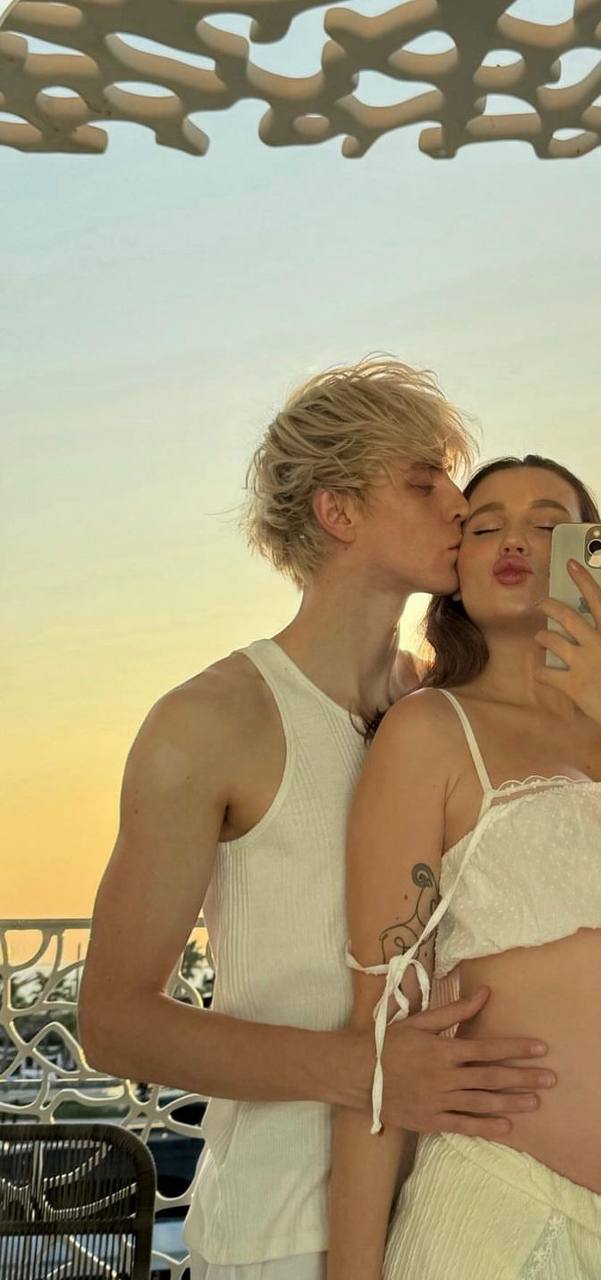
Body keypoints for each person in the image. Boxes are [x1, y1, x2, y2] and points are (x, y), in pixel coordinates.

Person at [77, 363, 558, 1279]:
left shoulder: (450, 708)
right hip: (282, 1235)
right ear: (337, 511)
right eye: (423, 482)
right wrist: (369, 1070)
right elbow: (114, 1022)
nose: (460, 505)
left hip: (471, 1212)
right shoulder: (211, 721)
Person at [331, 455, 601, 1279]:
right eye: (486, 525)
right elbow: (383, 1034)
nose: (515, 540)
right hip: (515, 1222)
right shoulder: (429, 731)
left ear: (593, 556)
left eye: (547, 525)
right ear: (457, 572)